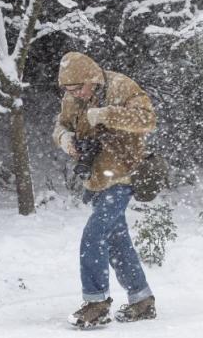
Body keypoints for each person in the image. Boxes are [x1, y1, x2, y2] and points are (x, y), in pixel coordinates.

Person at [52, 51, 158, 329]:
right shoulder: (73, 98)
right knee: (116, 240)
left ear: (92, 79)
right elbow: (61, 125)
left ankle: (96, 303)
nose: (75, 94)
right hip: (96, 179)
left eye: (78, 88)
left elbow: (147, 120)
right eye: (69, 90)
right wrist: (66, 140)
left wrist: (106, 115)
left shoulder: (121, 86)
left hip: (124, 174)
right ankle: (142, 300)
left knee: (94, 235)